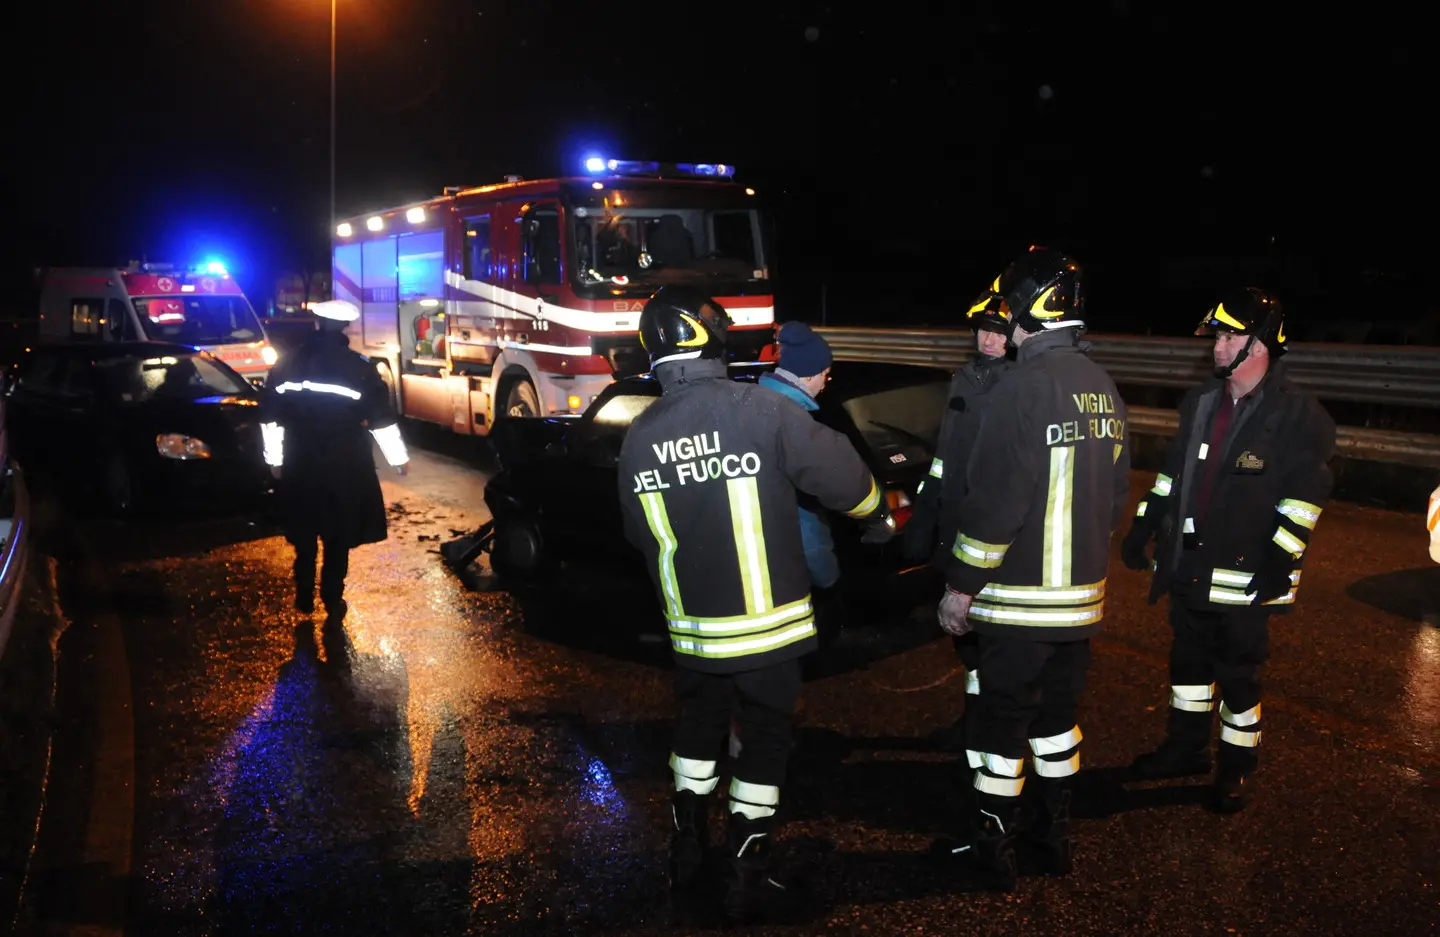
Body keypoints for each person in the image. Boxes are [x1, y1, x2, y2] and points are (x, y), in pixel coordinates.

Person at [617, 285, 894, 923]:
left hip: (693, 636)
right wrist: (875, 516)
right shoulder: (759, 410)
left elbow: (638, 536)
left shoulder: (640, 435)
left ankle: (686, 849)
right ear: (714, 340)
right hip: (769, 631)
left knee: (696, 734)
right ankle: (746, 870)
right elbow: (847, 480)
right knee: (764, 742)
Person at [933, 246, 1130, 889]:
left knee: (1001, 725)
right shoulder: (1103, 387)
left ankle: (991, 848)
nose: (1005, 318)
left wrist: (961, 587)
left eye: (1011, 306)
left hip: (1018, 601)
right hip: (1080, 603)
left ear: (1030, 309)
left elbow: (995, 504)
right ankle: (1053, 837)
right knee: (1056, 723)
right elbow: (1115, 495)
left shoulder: (1019, 387)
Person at [1122, 287, 1335, 812]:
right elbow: (1173, 476)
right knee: (1188, 669)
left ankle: (1236, 769)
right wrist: (1145, 522)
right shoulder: (1199, 403)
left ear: (1259, 344)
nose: (1218, 345)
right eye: (1217, 335)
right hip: (1189, 568)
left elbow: (1305, 499)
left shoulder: (1298, 415)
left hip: (1246, 578)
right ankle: (1185, 749)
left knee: (1240, 680)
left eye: (1230, 334)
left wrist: (1280, 559)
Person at [901, 285, 1014, 750]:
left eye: (999, 333)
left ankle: (998, 728)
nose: (989, 341)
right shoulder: (964, 378)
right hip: (956, 526)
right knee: (965, 641)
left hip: (993, 531)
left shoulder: (1020, 383)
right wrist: (926, 513)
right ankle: (975, 719)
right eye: (983, 331)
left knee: (994, 638)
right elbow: (945, 455)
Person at [260, 299, 410, 625]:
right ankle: (332, 598)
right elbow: (381, 419)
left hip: (301, 463)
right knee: (337, 536)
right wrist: (398, 459)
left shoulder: (287, 364)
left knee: (304, 531)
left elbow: (270, 417)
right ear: (345, 328)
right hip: (345, 466)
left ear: (316, 323)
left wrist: (275, 460)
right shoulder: (359, 367)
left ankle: (303, 593)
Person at [757, 321, 844, 643]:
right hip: (785, 578)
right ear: (808, 375)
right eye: (826, 374)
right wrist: (826, 576)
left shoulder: (753, 406)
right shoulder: (793, 424)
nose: (826, 383)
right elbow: (803, 521)